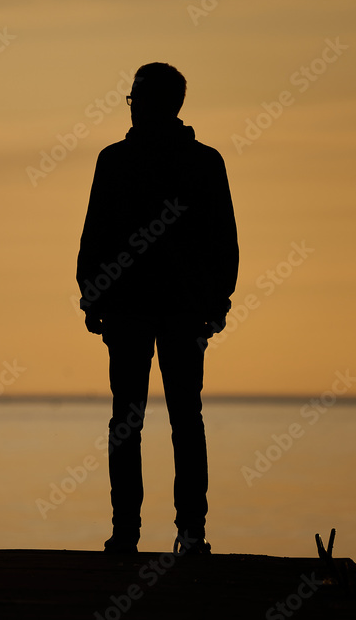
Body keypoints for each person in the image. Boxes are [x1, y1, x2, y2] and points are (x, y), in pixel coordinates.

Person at [76, 62, 238, 554]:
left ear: (151, 103)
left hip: (140, 309)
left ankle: (132, 533)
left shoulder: (119, 160)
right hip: (174, 310)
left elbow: (94, 236)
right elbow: (224, 244)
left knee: (135, 419)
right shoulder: (203, 162)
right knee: (181, 419)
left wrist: (93, 294)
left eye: (134, 99)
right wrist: (216, 303)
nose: (132, 107)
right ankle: (186, 534)